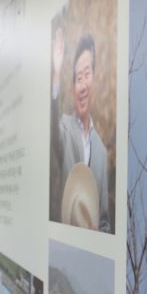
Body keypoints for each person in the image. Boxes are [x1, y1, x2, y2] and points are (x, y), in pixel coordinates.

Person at [51, 30, 111, 233]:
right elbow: (53, 132)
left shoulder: (101, 152)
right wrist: (57, 75)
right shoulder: (64, 128)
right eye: (78, 78)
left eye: (86, 75)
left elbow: (105, 221)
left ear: (94, 79)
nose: (82, 86)